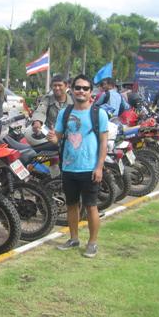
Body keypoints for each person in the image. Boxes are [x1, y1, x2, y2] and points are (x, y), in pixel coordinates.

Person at [54, 74, 109, 258]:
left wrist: (99, 167)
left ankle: (92, 243)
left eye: (85, 88)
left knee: (91, 206)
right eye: (78, 88)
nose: (81, 91)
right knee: (71, 205)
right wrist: (51, 137)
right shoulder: (65, 113)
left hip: (90, 169)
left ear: (91, 92)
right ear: (72, 89)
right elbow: (57, 137)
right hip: (69, 168)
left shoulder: (98, 113)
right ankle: (74, 238)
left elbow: (104, 142)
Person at [31, 74, 74, 143]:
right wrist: (37, 121)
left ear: (66, 86)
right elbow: (40, 111)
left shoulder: (73, 101)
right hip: (49, 138)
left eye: (60, 85)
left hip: (68, 139)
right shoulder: (47, 99)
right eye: (55, 85)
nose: (57, 88)